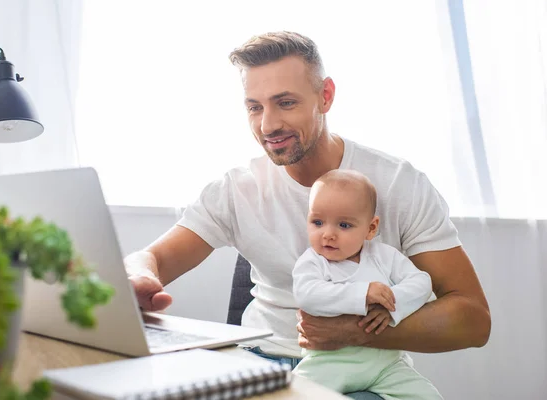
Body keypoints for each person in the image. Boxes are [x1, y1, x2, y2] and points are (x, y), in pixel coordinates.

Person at [124, 31, 491, 398]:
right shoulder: (238, 189)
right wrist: (139, 272)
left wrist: (351, 331)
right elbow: (152, 258)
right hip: (263, 361)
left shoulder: (399, 185)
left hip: (366, 370)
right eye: (255, 107)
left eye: (285, 103)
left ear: (325, 96)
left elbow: (473, 320)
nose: (268, 125)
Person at [291, 169, 442, 399]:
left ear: (371, 228)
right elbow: (307, 295)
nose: (328, 234)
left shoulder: (384, 256)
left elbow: (422, 282)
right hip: (329, 364)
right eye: (318, 222)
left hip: (387, 365)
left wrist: (392, 305)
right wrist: (364, 293)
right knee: (294, 395)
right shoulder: (312, 262)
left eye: (344, 225)